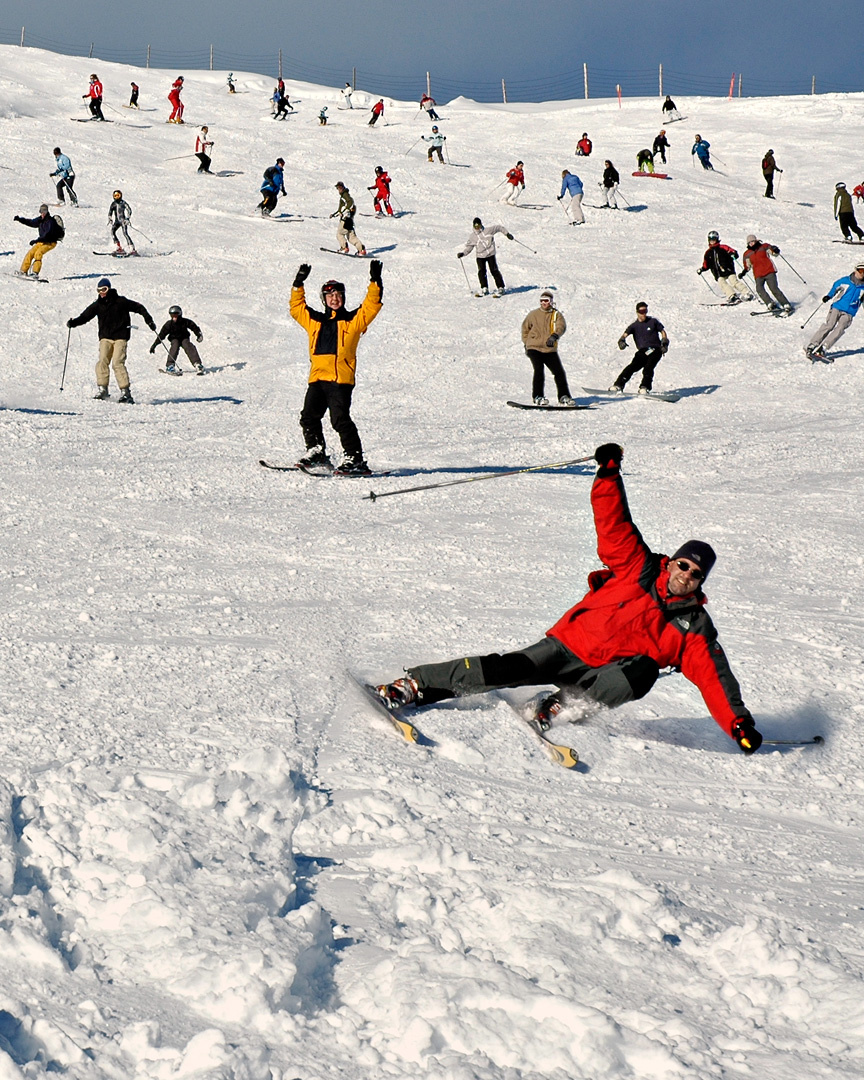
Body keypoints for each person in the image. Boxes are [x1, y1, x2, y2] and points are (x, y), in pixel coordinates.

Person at [373, 443, 761, 755]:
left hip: (600, 678)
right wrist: (609, 473)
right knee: (504, 669)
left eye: (696, 574)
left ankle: (558, 706)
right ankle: (414, 686)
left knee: (643, 672)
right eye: (683, 565)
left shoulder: (693, 626)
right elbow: (614, 523)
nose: (686, 575)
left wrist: (738, 723)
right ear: (672, 561)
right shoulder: (639, 567)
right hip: (564, 647)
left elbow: (715, 678)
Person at [289, 261, 384, 476]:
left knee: (340, 419)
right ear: (324, 299)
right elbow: (297, 309)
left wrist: (375, 281)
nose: (335, 299)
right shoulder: (315, 320)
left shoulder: (353, 321)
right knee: (309, 416)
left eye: (338, 295)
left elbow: (371, 305)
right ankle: (316, 451)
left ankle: (355, 458)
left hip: (340, 381)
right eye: (330, 296)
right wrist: (298, 283)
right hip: (317, 379)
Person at [67, 277, 156, 403]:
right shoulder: (97, 305)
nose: (101, 292)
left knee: (117, 363)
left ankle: (126, 392)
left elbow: (139, 308)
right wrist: (74, 323)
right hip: (105, 337)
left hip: (120, 336)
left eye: (104, 289)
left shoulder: (121, 301)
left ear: (109, 289)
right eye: (99, 290)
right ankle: (103, 389)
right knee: (102, 361)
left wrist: (149, 320)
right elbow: (85, 316)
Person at [521, 290, 575, 405]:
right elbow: (525, 329)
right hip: (534, 347)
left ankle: (564, 396)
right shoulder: (533, 314)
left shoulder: (556, 315)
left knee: (559, 372)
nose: (544, 303)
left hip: (549, 348)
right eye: (542, 301)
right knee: (539, 370)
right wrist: (527, 343)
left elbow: (561, 326)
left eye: (546, 301)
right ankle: (538, 396)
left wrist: (554, 336)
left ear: (551, 302)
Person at [805, 262, 864, 361]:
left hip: (850, 312)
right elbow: (835, 287)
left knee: (840, 329)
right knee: (829, 325)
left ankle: (823, 347)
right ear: (855, 270)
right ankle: (812, 344)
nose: (862, 274)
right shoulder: (846, 281)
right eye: (860, 270)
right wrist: (829, 296)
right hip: (837, 307)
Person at [610, 302, 669, 393]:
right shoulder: (634, 326)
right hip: (643, 351)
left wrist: (664, 342)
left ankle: (645, 387)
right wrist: (622, 341)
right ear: (637, 312)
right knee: (632, 367)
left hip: (656, 349)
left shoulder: (653, 321)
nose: (644, 314)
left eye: (645, 311)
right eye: (642, 311)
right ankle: (618, 385)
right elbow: (624, 335)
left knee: (649, 367)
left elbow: (663, 332)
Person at [457, 217, 512, 297]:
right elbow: (469, 247)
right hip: (480, 256)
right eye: (475, 226)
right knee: (481, 272)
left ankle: (501, 287)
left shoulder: (488, 230)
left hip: (490, 254)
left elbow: (499, 227)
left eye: (478, 225)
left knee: (494, 270)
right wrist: (463, 253)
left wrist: (507, 234)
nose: (477, 228)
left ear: (481, 224)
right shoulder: (473, 236)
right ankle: (484, 288)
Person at [741, 236, 793, 314]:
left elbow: (773, 253)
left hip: (769, 271)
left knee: (773, 288)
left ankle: (785, 304)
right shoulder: (747, 254)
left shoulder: (764, 247)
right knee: (759, 289)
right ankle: (770, 303)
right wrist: (744, 271)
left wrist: (775, 250)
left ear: (756, 241)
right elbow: (747, 265)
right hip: (758, 274)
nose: (751, 243)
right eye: (749, 243)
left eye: (752, 241)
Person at [698, 231, 750, 303]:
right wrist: (702, 269)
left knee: (733, 281)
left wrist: (733, 254)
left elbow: (734, 253)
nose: (712, 241)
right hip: (718, 273)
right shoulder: (708, 253)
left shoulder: (723, 248)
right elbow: (706, 264)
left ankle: (746, 292)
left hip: (728, 270)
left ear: (717, 239)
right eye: (711, 240)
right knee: (722, 283)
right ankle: (732, 295)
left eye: (714, 239)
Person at [150, 305, 205, 374]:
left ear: (179, 314)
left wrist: (199, 335)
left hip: (184, 338)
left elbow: (194, 327)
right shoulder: (169, 324)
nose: (174, 318)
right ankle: (170, 366)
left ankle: (197, 364)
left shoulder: (185, 321)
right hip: (174, 339)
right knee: (175, 345)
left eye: (176, 315)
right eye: (172, 316)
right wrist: (154, 345)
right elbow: (161, 335)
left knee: (187, 345)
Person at [14, 204, 64, 279]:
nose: (43, 213)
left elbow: (47, 235)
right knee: (30, 253)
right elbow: (31, 222)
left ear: (47, 211)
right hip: (42, 241)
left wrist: (36, 241)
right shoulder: (40, 220)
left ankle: (35, 273)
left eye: (44, 211)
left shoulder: (50, 222)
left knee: (38, 253)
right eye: (41, 211)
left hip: (50, 242)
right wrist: (20, 219)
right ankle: (23, 271)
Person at [332, 182, 366, 254]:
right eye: (338, 188)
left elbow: (350, 203)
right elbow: (341, 210)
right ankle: (361, 250)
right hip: (349, 220)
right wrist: (334, 214)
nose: (338, 190)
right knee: (351, 237)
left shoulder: (345, 196)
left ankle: (344, 247)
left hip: (344, 219)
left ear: (342, 188)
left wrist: (344, 212)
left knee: (339, 234)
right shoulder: (345, 196)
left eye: (339, 188)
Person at [108, 190, 136, 255]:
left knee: (125, 233)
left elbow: (129, 210)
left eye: (118, 195)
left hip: (123, 221)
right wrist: (110, 217)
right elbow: (110, 211)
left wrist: (127, 219)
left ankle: (132, 248)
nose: (117, 197)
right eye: (115, 196)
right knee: (112, 231)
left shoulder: (123, 203)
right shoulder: (113, 204)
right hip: (117, 222)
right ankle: (118, 247)